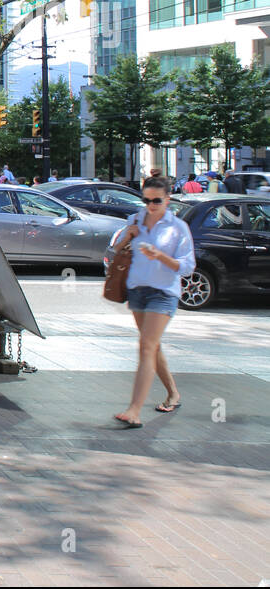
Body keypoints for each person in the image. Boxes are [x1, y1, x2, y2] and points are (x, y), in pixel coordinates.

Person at [110, 176, 195, 428]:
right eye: (146, 200)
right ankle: (173, 393)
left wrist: (159, 255)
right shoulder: (136, 219)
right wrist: (128, 237)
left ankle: (134, 410)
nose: (151, 205)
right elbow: (116, 250)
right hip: (137, 290)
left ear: (168, 200)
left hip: (163, 292)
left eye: (156, 200)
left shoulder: (178, 228)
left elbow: (187, 267)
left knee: (146, 345)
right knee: (153, 347)